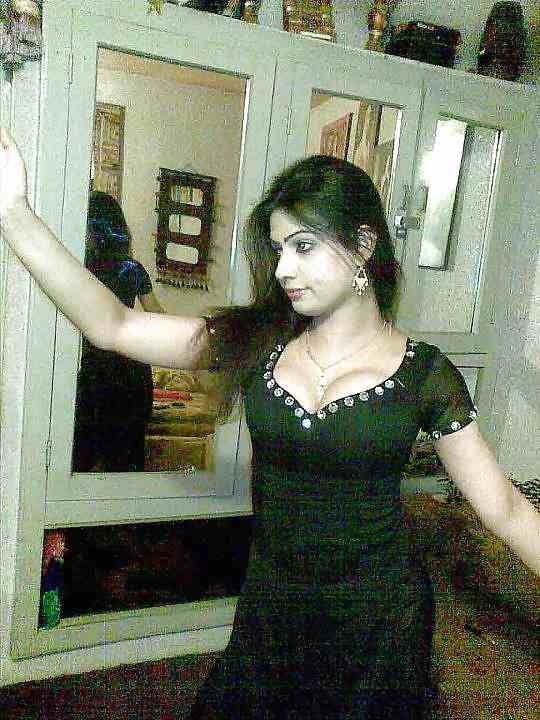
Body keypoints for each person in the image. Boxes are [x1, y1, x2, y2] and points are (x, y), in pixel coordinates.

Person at [1, 127, 539, 719]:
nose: (283, 268)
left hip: (379, 618)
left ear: (363, 246)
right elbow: (114, 325)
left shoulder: (425, 375)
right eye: (280, 249)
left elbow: (505, 509)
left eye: (303, 246)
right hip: (273, 602)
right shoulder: (258, 343)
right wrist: (15, 215)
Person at [73, 191, 164, 472]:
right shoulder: (132, 269)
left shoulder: (80, 269)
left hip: (93, 367)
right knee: (127, 457)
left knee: (83, 456)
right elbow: (158, 316)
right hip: (130, 366)